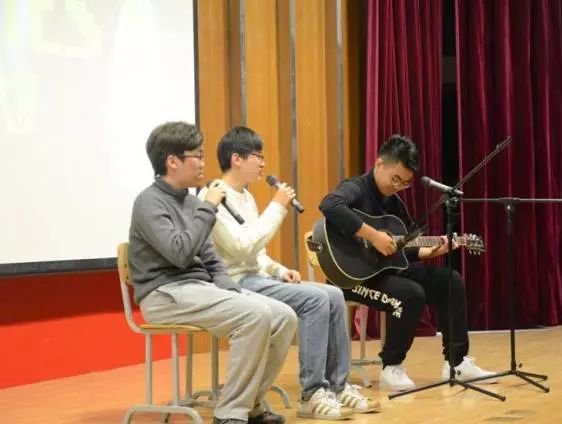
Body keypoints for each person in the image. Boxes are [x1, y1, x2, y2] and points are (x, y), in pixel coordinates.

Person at [198, 126, 380, 420]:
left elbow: (256, 254)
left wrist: (279, 269)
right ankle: (311, 393)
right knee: (314, 300)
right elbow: (242, 249)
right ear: (236, 159)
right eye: (257, 156)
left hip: (257, 277)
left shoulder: (246, 197)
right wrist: (277, 208)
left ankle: (338, 386)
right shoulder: (214, 195)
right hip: (234, 283)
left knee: (333, 294)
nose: (263, 163)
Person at [128, 122, 297, 424]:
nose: (204, 163)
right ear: (172, 161)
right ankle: (230, 413)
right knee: (255, 315)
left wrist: (230, 289)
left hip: (198, 289)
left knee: (284, 316)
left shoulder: (192, 201)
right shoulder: (149, 202)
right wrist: (208, 209)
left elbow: (210, 258)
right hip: (163, 294)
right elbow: (180, 253)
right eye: (197, 156)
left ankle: (251, 404)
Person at [319, 134, 496, 391]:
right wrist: (373, 236)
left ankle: (457, 362)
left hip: (385, 272)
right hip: (351, 277)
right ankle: (391, 366)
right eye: (395, 179)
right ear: (379, 164)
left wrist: (430, 251)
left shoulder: (396, 203)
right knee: (411, 294)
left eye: (405, 183)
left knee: (450, 280)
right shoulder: (356, 188)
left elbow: (406, 250)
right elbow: (329, 205)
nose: (399, 186)